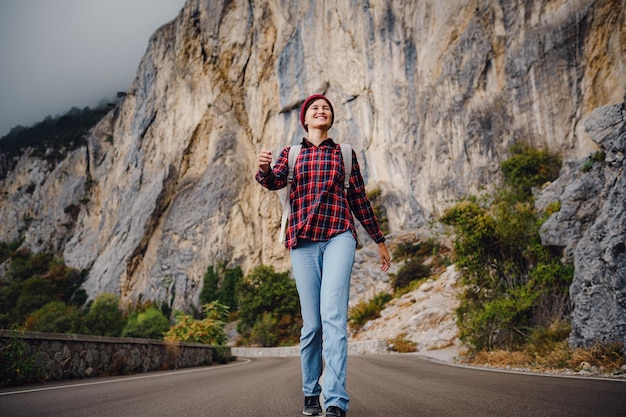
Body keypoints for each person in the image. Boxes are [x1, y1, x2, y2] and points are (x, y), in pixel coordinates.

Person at [255, 94, 391, 417]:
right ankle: (310, 393)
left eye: (326, 108)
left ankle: (335, 402)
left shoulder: (344, 155)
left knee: (333, 318)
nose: (320, 110)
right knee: (312, 325)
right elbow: (273, 181)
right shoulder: (292, 154)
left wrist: (379, 240)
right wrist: (262, 168)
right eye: (314, 108)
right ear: (305, 119)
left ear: (330, 119)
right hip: (302, 240)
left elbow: (360, 200)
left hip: (339, 236)